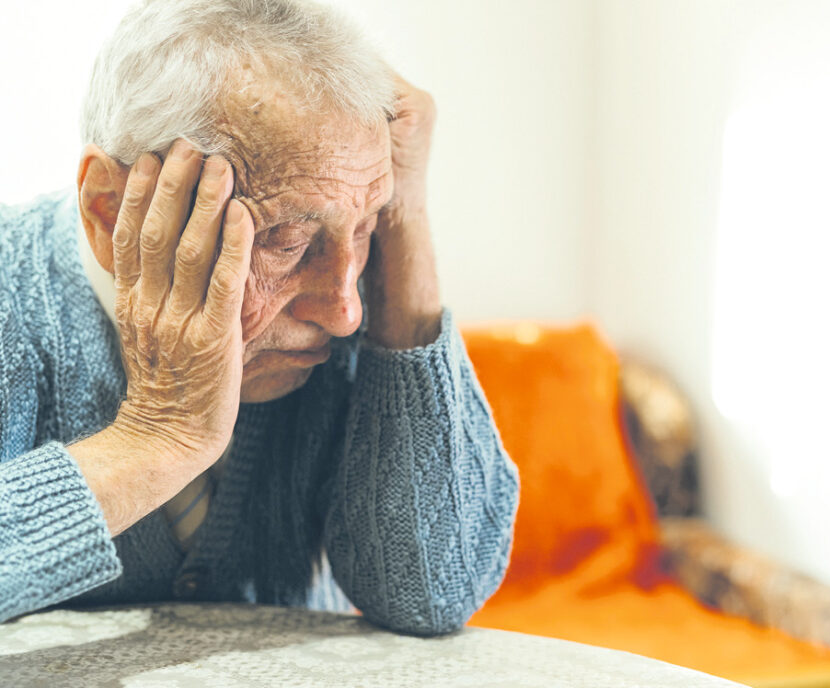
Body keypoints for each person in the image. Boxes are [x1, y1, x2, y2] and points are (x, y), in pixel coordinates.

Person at [0, 0, 519, 634]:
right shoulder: (12, 297)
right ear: (110, 209)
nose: (344, 312)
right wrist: (159, 437)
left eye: (363, 227)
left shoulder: (341, 313)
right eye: (286, 242)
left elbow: (437, 591)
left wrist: (402, 217)